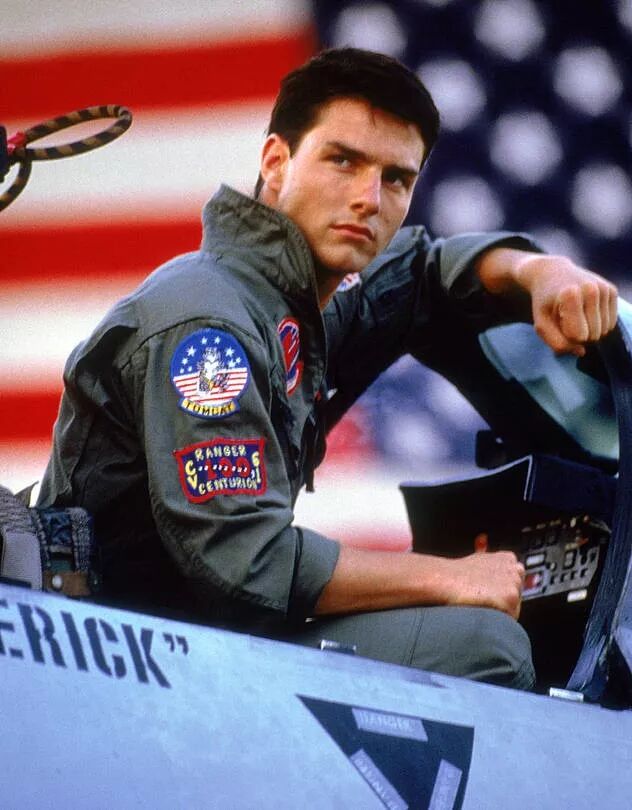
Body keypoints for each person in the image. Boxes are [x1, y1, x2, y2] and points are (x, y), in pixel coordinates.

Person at [37, 48, 618, 690]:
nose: (368, 199)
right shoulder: (210, 331)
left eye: (396, 179)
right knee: (486, 644)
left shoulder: (297, 302)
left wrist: (538, 270)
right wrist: (449, 576)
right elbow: (247, 563)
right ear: (276, 162)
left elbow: (422, 271)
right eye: (343, 161)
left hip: (198, 637)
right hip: (136, 661)